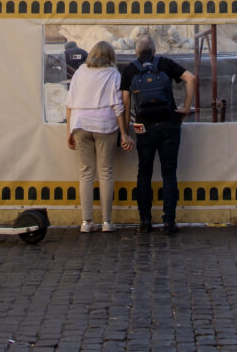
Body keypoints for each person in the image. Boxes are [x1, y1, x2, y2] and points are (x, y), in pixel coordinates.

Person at [121, 34, 197, 234]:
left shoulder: (130, 70)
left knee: (144, 172)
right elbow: (191, 79)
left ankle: (145, 222)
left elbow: (126, 103)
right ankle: (169, 222)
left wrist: (125, 130)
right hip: (169, 123)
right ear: (154, 51)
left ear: (136, 52)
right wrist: (186, 108)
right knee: (169, 173)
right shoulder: (164, 63)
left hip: (143, 127)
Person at [65, 40, 131, 232]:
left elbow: (69, 104)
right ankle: (107, 222)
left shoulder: (79, 73)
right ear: (110, 56)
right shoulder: (113, 74)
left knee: (85, 173)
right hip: (105, 125)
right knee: (105, 172)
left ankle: (86, 222)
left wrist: (69, 131)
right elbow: (117, 106)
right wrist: (124, 133)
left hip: (81, 124)